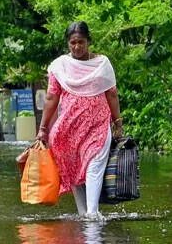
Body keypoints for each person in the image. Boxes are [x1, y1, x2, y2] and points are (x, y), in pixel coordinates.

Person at [36, 21, 123, 220]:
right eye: (73, 43)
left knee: (95, 164)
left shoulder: (102, 64)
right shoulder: (60, 66)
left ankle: (92, 212)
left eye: (81, 42)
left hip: (98, 125)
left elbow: (112, 95)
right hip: (68, 128)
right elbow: (51, 97)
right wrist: (43, 129)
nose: (77, 47)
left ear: (89, 41)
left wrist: (118, 123)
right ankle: (84, 213)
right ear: (68, 43)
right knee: (72, 166)